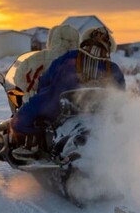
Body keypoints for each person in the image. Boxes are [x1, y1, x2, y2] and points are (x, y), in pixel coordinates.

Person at [7, 26, 125, 159]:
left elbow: (46, 80)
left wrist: (42, 91)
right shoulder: (114, 68)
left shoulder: (69, 57)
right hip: (99, 114)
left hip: (58, 108)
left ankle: (32, 147)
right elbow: (120, 95)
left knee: (21, 118)